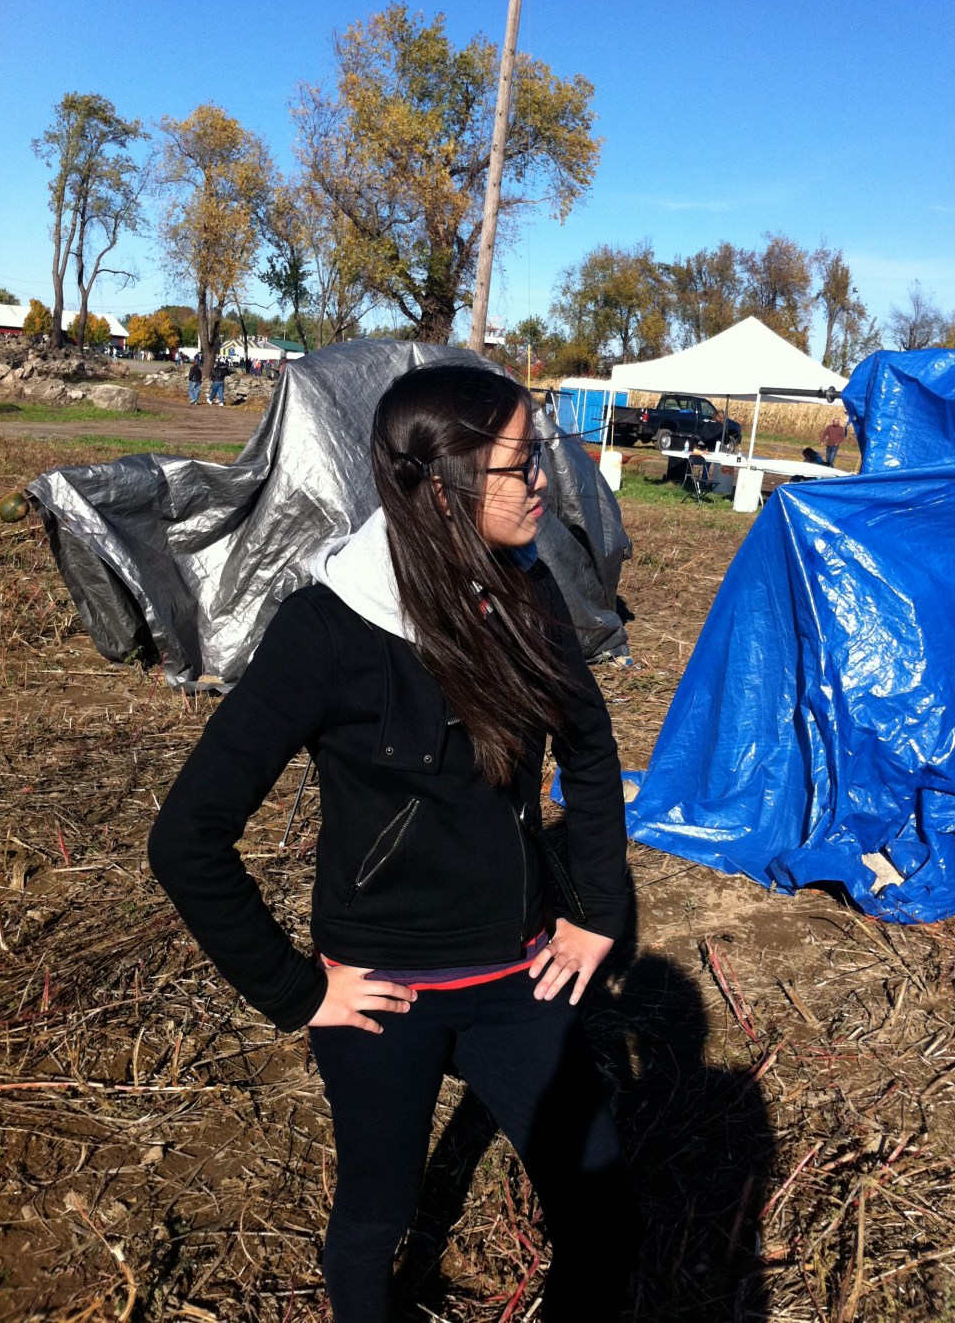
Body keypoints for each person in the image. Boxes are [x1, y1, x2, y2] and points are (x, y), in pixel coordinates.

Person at [148, 364, 636, 1321]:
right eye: (519, 464)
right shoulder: (328, 630)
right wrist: (298, 991)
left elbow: (589, 745)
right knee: (376, 1218)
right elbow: (186, 837)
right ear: (441, 488)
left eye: (536, 455)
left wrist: (598, 912)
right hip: (384, 1000)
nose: (542, 479)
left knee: (603, 1208)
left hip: (518, 977)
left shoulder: (527, 591)